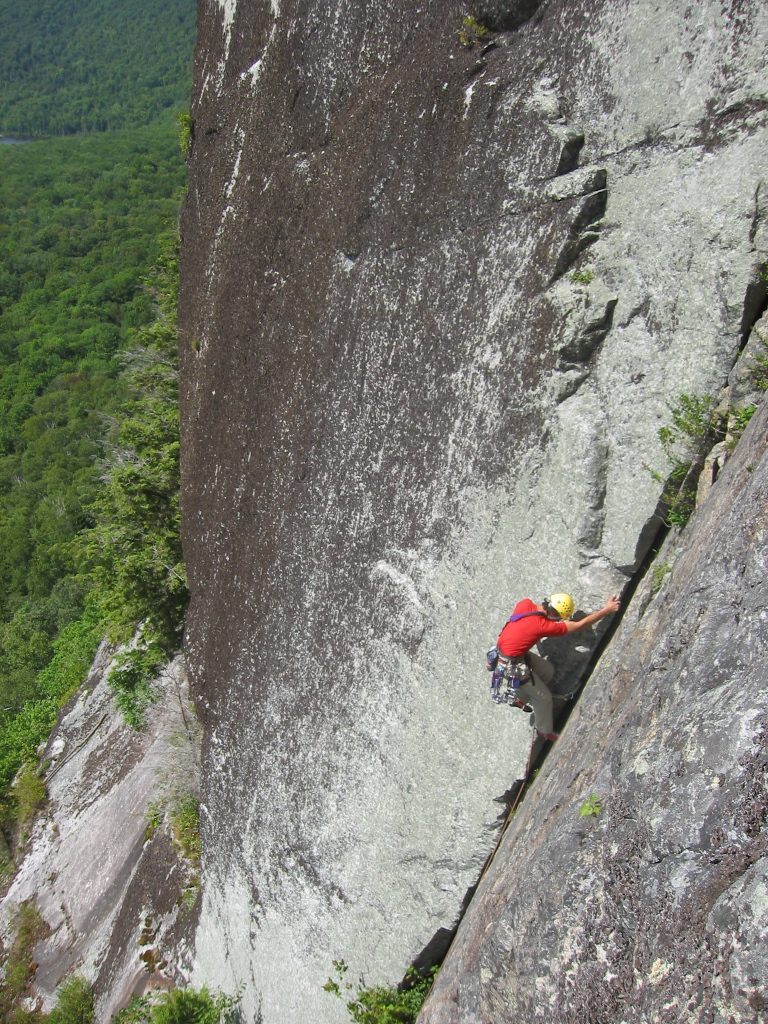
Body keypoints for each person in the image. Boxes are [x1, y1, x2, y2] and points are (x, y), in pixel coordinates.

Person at [496, 592, 621, 741]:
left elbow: (521, 629)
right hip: (512, 665)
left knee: (547, 671)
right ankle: (544, 730)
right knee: (544, 698)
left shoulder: (525, 604)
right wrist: (607, 610)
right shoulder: (543, 626)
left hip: (511, 654)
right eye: (560, 618)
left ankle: (520, 697)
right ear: (554, 615)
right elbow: (580, 625)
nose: (561, 621)